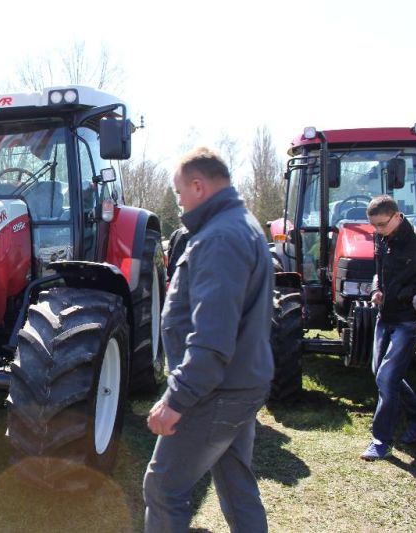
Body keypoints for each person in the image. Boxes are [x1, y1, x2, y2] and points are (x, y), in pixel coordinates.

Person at [143, 148, 274, 532]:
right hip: (238, 384)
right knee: (236, 483)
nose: (178, 201)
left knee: (163, 488)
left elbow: (213, 338)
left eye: (179, 193)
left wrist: (176, 399)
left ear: (198, 186)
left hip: (215, 391)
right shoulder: (241, 224)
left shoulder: (219, 237)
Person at [360, 195, 416, 460]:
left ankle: (381, 440)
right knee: (381, 373)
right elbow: (379, 272)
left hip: (409, 319)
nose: (378, 231)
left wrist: (407, 294)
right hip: (385, 316)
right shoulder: (381, 239)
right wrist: (377, 289)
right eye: (374, 226)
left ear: (397, 215)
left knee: (387, 377)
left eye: (382, 225)